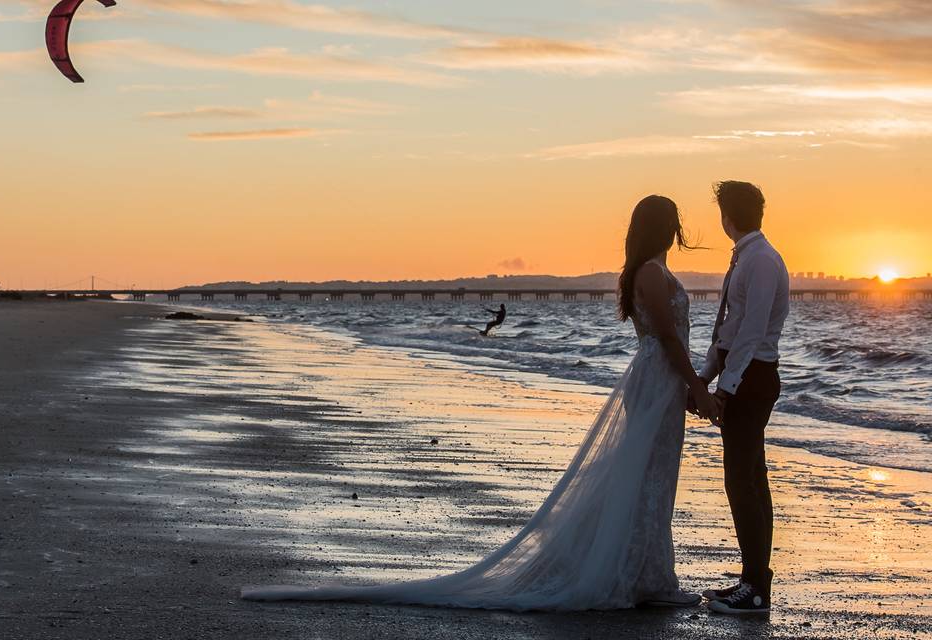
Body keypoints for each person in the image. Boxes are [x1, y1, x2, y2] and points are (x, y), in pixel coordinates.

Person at [242, 195, 718, 610]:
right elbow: (669, 339)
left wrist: (689, 386)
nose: (678, 232)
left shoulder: (649, 270)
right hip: (658, 378)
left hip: (659, 380)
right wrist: (697, 387)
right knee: (649, 477)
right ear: (664, 227)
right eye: (674, 222)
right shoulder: (653, 274)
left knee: (653, 475)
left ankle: (647, 574)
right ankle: (645, 578)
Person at [695, 181, 789, 615]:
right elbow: (730, 330)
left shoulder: (763, 261)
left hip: (753, 378)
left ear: (726, 217)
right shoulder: (747, 258)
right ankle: (752, 581)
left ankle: (755, 587)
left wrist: (726, 388)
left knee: (743, 481)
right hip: (741, 373)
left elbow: (751, 332)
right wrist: (706, 374)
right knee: (749, 478)